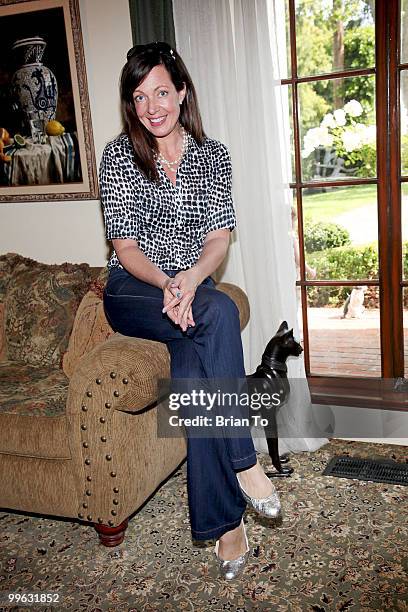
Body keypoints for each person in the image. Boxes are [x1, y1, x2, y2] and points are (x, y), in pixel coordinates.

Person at [100, 41, 280, 580]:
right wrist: (166, 286)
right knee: (219, 315)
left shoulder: (213, 155)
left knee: (194, 366)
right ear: (131, 104)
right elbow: (127, 249)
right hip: (133, 288)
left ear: (182, 91)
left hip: (188, 285)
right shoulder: (118, 156)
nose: (152, 106)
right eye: (139, 96)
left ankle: (225, 524)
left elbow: (219, 240)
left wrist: (191, 280)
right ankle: (247, 465)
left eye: (161, 91)